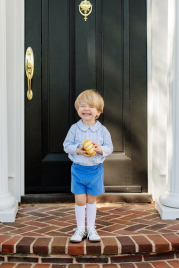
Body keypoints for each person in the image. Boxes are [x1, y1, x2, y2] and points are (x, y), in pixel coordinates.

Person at [63, 89, 113, 243]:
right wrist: (77, 150)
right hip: (78, 170)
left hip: (95, 171)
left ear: (98, 111)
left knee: (91, 200)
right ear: (78, 109)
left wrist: (100, 149)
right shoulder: (75, 128)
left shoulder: (102, 130)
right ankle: (80, 229)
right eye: (82, 106)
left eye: (91, 106)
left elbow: (109, 147)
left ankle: (91, 228)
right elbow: (66, 145)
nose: (86, 109)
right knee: (79, 201)